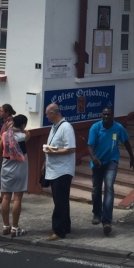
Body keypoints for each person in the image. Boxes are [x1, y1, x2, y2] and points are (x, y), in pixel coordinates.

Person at [87, 107, 134, 236]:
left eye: (108, 115)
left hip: (111, 161)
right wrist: (93, 158)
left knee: (109, 187)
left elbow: (126, 142)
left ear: (112, 115)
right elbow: (90, 146)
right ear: (101, 115)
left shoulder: (118, 128)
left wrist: (132, 157)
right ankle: (97, 213)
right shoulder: (95, 128)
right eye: (104, 114)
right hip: (97, 162)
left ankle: (107, 221)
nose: (106, 117)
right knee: (96, 188)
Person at [42, 103, 76, 241]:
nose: (46, 116)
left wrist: (53, 151)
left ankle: (58, 230)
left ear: (53, 113)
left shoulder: (66, 127)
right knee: (60, 200)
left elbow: (71, 148)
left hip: (62, 170)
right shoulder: (54, 127)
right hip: (53, 168)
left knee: (60, 201)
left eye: (47, 113)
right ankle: (65, 225)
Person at [0, 114, 30, 237]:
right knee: (17, 198)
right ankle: (15, 228)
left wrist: (10, 127)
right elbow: (26, 132)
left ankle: (5, 226)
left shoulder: (5, 135)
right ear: (23, 125)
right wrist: (19, 128)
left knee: (6, 197)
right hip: (20, 169)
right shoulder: (24, 136)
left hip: (6, 168)